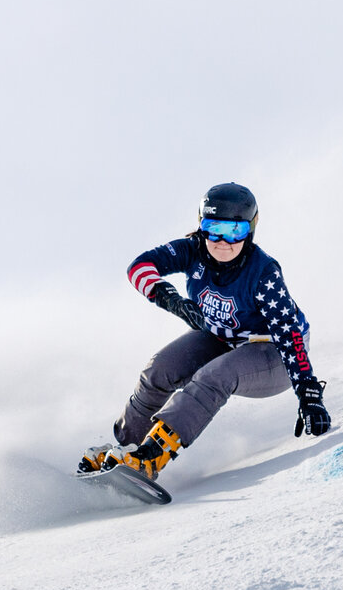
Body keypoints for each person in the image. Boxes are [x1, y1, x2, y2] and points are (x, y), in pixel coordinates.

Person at [79, 182, 330, 481]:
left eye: (235, 231)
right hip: (223, 338)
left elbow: (289, 334)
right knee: (159, 369)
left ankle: (152, 457)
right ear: (200, 226)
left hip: (272, 352)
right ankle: (127, 448)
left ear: (250, 230)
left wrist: (308, 394)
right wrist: (173, 302)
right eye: (213, 228)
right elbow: (139, 266)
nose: (223, 242)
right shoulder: (192, 250)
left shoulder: (262, 271)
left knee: (213, 377)